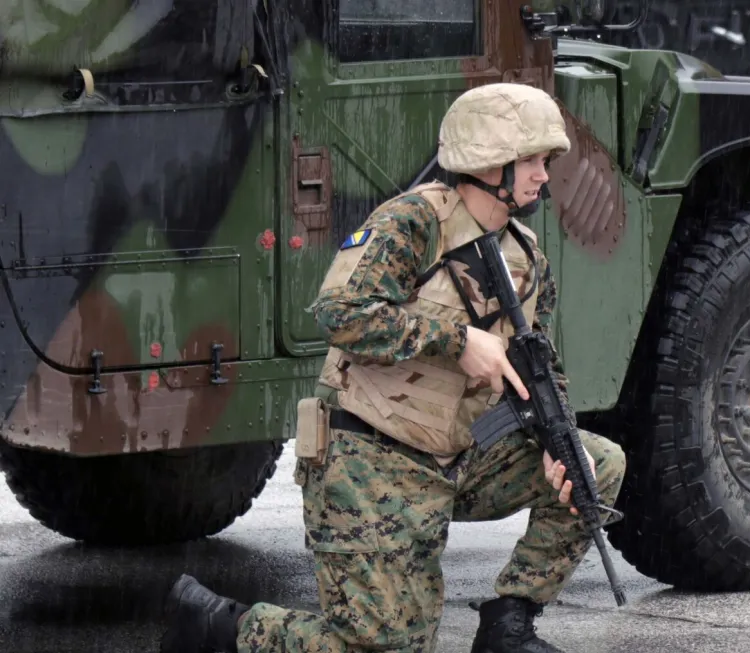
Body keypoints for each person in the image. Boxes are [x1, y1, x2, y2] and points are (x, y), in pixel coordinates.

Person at [157, 83, 627, 653]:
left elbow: (540, 367)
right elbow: (339, 312)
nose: (543, 176)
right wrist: (456, 342)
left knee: (592, 466)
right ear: (487, 159)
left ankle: (509, 624)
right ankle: (222, 628)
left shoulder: (526, 258)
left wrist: (556, 445)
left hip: (458, 457)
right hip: (368, 461)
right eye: (530, 160)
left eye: (546, 162)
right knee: (384, 647)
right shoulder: (412, 224)